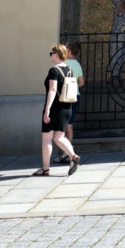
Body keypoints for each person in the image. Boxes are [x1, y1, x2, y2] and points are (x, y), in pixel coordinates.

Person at [32, 45, 79, 176]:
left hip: (55, 108)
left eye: (51, 53)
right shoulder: (69, 69)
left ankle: (45, 169)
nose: (50, 55)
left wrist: (47, 110)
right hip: (66, 107)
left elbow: (52, 90)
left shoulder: (53, 70)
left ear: (57, 54)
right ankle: (73, 156)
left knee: (47, 138)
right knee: (59, 137)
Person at [56, 43, 85, 165]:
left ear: (68, 50)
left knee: (62, 127)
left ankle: (65, 154)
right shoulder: (77, 64)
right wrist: (73, 87)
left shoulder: (64, 63)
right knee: (70, 126)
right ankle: (69, 154)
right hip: (75, 96)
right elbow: (81, 82)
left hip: (64, 97)